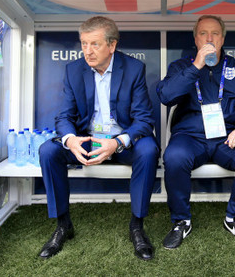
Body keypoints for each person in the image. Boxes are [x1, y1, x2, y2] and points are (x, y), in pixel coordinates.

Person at [38, 16, 160, 261]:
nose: (87, 51)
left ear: (112, 45)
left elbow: (144, 120)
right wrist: (71, 140)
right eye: (84, 44)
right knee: (48, 151)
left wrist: (117, 142)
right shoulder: (73, 70)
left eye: (95, 44)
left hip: (120, 142)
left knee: (148, 150)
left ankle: (137, 225)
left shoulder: (133, 69)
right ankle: (63, 225)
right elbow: (64, 116)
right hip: (88, 141)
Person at [156, 14, 235, 249]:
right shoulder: (180, 67)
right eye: (203, 33)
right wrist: (197, 65)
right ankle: (181, 221)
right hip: (190, 137)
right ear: (195, 39)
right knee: (174, 157)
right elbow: (166, 96)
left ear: (223, 38)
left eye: (215, 33)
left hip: (226, 137)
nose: (209, 38)